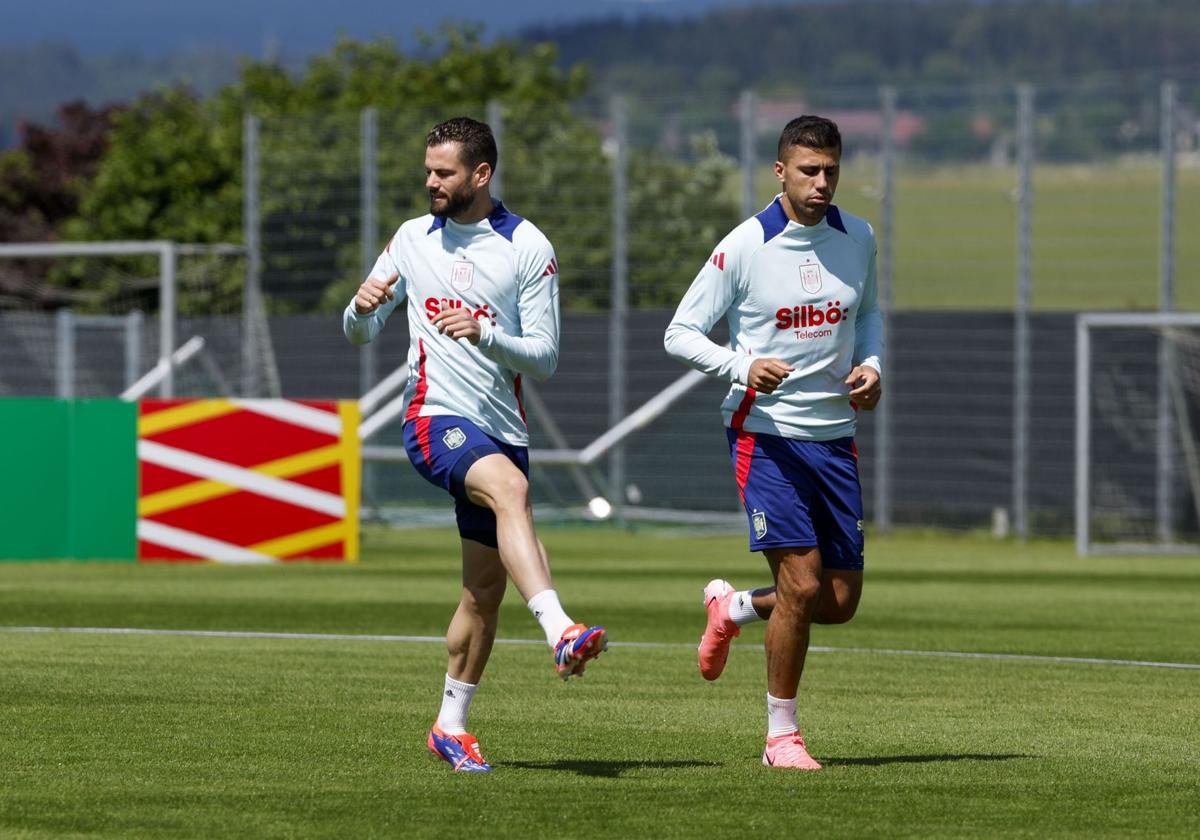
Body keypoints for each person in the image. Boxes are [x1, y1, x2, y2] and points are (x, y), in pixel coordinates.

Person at [343, 116, 607, 774]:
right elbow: (360, 332)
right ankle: (561, 630)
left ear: (481, 175)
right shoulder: (410, 239)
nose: (430, 181)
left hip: (503, 430)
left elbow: (543, 359)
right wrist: (362, 305)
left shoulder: (526, 247)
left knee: (482, 595)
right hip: (434, 418)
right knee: (512, 491)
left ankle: (449, 726)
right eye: (428, 170)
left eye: (444, 172)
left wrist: (487, 333)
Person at [664, 115, 882, 771]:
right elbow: (681, 331)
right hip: (765, 435)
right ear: (780, 171)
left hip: (834, 436)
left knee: (836, 603)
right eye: (809, 171)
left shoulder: (860, 237)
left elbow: (867, 313)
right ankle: (781, 738)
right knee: (801, 580)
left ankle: (731, 608)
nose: (821, 183)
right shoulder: (745, 246)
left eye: (831, 171)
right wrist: (740, 366)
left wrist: (873, 368)